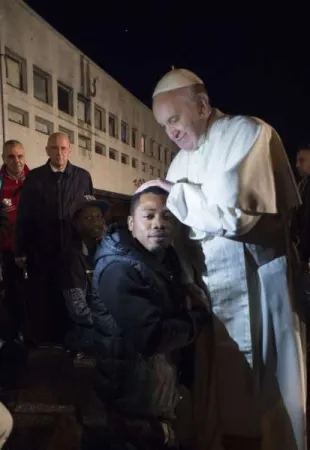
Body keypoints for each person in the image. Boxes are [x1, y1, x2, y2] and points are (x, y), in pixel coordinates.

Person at [136, 69, 306, 450]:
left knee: (269, 385)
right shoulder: (180, 163)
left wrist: (176, 193)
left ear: (202, 105)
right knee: (223, 389)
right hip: (214, 291)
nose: (171, 133)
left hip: (261, 283)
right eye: (164, 126)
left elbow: (238, 219)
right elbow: (182, 232)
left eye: (174, 120)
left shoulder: (247, 133)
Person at [89, 186, 209, 450]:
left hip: (154, 393)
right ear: (131, 223)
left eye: (167, 217)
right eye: (149, 216)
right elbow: (151, 337)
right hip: (134, 401)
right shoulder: (119, 268)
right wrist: (198, 319)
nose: (159, 224)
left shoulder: (163, 259)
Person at [14, 132, 94, 344]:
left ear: (70, 150)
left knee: (74, 299)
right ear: (47, 150)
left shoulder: (83, 177)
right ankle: (48, 346)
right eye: (54, 148)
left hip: (72, 252)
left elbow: (91, 215)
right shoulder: (34, 178)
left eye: (63, 148)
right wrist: (20, 249)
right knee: (46, 298)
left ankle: (73, 344)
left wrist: (92, 248)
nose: (59, 153)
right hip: (42, 250)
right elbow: (24, 215)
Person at [59, 196, 108, 357]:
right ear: (77, 224)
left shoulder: (105, 252)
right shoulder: (73, 257)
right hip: (84, 332)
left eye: (99, 217)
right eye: (88, 218)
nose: (96, 222)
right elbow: (78, 311)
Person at [0, 140, 29, 340]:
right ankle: (13, 334)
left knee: (34, 293)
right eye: (11, 156)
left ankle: (33, 332)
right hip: (7, 251)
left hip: (31, 250)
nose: (16, 160)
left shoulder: (35, 179)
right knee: (11, 294)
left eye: (20, 156)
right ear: (3, 158)